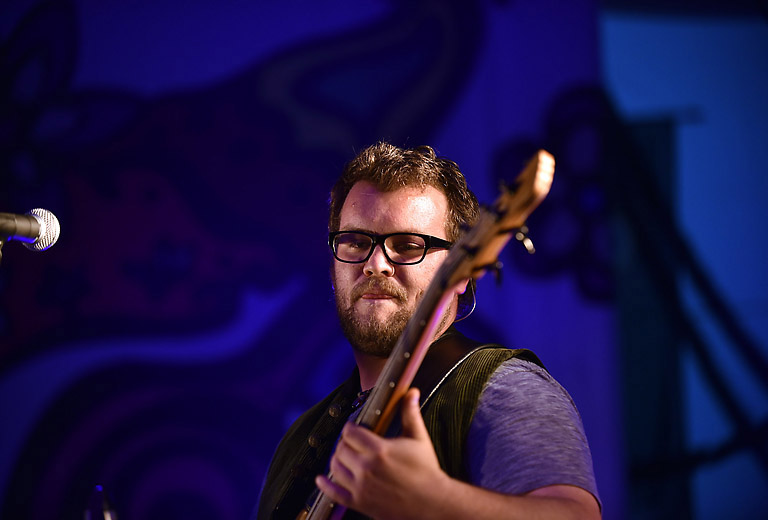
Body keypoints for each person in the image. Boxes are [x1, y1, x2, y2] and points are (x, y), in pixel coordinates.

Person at [255, 142, 601, 520]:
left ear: (462, 272)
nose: (375, 264)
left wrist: (435, 501)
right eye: (355, 242)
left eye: (407, 246)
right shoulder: (303, 436)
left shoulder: (503, 388)